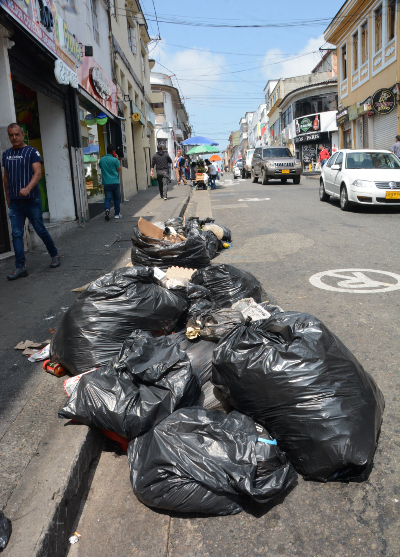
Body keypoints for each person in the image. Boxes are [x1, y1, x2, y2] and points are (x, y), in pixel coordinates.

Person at [2, 123, 60, 281]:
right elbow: (6, 178)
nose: (14, 137)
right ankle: (20, 267)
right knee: (16, 234)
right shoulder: (6, 154)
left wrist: (27, 188)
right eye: (11, 135)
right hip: (15, 202)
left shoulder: (32, 152)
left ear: (22, 135)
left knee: (40, 230)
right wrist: (8, 198)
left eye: (16, 134)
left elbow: (38, 173)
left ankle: (54, 254)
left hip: (31, 200)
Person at [99, 144, 121, 221]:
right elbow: (118, 170)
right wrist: (117, 159)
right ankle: (117, 214)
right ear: (113, 151)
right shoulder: (115, 160)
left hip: (106, 182)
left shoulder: (101, 160)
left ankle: (107, 210)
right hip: (115, 182)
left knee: (107, 199)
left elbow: (101, 167)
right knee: (116, 199)